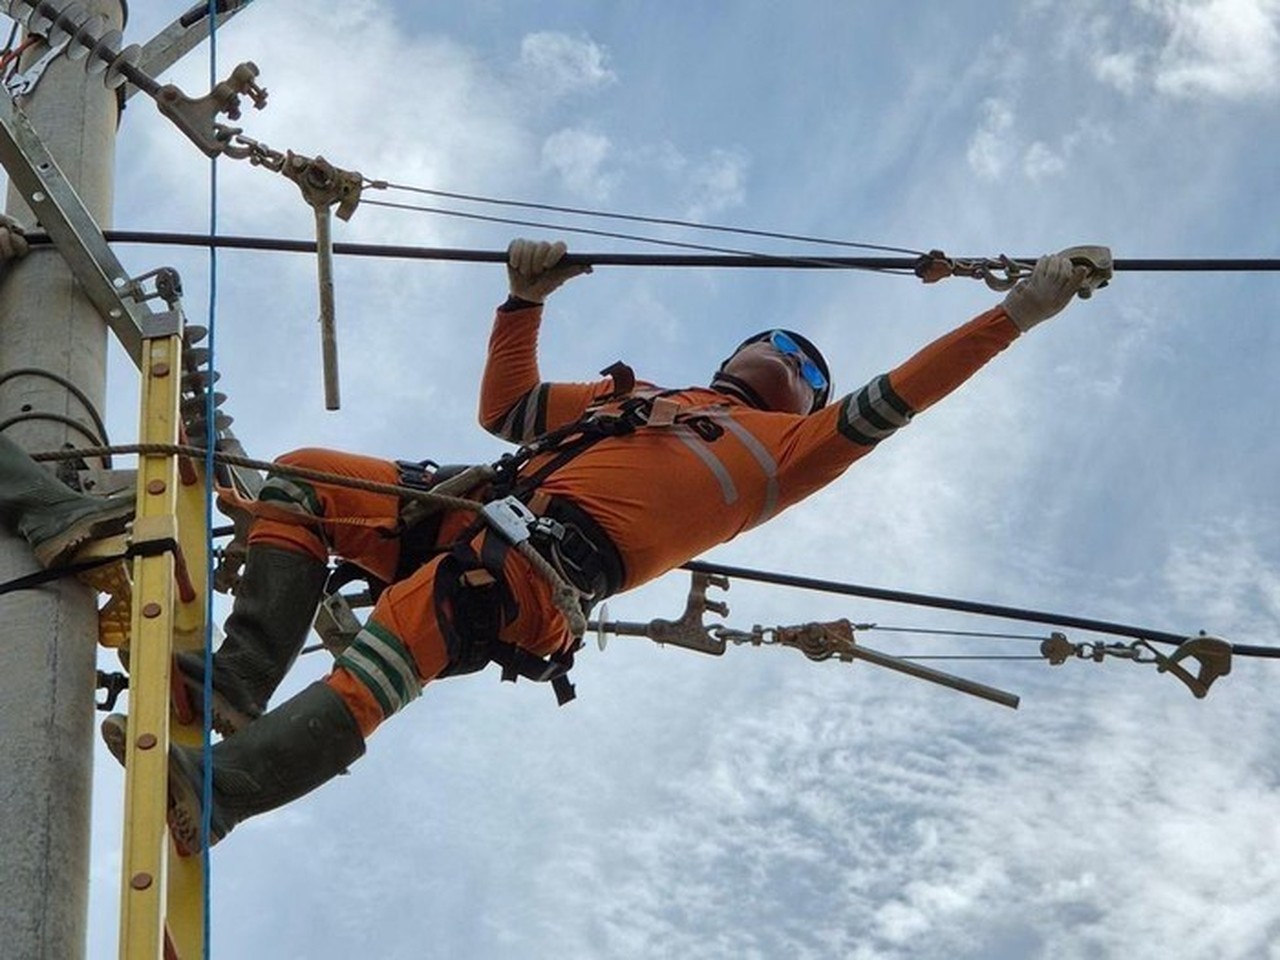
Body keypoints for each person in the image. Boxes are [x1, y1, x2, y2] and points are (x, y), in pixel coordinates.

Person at [0, 226, 1107, 854]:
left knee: (404, 631)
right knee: (308, 477)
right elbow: (507, 410)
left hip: (536, 571)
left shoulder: (792, 449)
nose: (784, 361)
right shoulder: (640, 399)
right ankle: (232, 686)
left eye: (801, 363)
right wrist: (520, 302)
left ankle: (223, 789)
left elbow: (902, 393)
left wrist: (1017, 311)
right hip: (481, 505)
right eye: (775, 345)